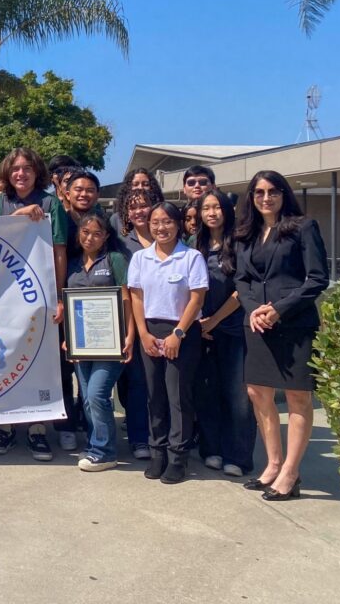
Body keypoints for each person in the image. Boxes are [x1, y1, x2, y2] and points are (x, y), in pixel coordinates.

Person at [234, 170, 329, 501]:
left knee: (296, 396)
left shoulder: (303, 227)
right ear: (252, 197)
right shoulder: (246, 233)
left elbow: (317, 278)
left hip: (294, 324)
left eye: (272, 191)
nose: (265, 197)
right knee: (257, 392)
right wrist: (254, 310)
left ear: (284, 194)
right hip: (258, 324)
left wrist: (279, 309)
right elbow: (242, 280)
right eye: (259, 192)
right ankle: (273, 464)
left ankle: (290, 473)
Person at [0, 147, 67, 459]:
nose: (21, 174)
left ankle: (36, 429)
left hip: (39, 294)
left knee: (38, 358)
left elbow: (58, 250)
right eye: (16, 169)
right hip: (5, 295)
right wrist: (18, 215)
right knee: (6, 357)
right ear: (8, 172)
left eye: (27, 169)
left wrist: (58, 296)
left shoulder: (51, 203)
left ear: (37, 173)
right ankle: (6, 428)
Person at [128, 201, 208, 484]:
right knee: (155, 396)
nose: (161, 227)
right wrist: (143, 333)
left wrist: (178, 334)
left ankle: (178, 458)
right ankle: (157, 452)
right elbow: (136, 297)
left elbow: (197, 298)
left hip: (181, 332)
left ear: (178, 225)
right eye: (155, 222)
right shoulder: (140, 259)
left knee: (178, 397)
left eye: (167, 222)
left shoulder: (192, 257)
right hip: (149, 330)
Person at [64, 213, 134, 471]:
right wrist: (68, 340)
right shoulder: (71, 264)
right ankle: (96, 445)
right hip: (81, 344)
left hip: (111, 342)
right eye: (85, 232)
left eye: (96, 233)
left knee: (97, 394)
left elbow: (128, 301)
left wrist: (130, 337)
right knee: (85, 398)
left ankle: (105, 452)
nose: (90, 237)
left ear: (106, 236)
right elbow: (67, 304)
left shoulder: (115, 260)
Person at [192, 190, 255, 477]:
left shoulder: (241, 244)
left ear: (227, 210)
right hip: (202, 331)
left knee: (237, 397)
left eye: (217, 207)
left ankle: (238, 456)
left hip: (233, 330)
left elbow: (242, 291)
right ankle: (211, 449)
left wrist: (213, 321)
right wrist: (198, 322)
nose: (212, 212)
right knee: (207, 394)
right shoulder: (196, 246)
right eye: (206, 208)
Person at [114, 188, 161, 460]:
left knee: (164, 385)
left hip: (166, 320)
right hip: (132, 319)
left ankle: (165, 436)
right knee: (136, 383)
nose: (139, 211)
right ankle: (139, 438)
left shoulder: (168, 237)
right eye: (133, 207)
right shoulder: (121, 243)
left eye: (144, 205)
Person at [111, 167, 164, 234]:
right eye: (135, 184)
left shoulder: (163, 216)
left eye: (145, 184)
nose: (140, 187)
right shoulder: (116, 220)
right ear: (127, 188)